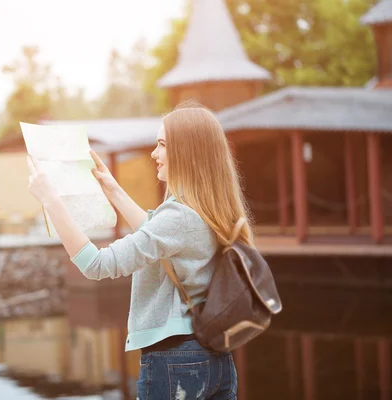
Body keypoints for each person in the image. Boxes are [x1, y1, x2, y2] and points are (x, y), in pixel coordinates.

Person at [26, 102, 254, 400]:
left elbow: (97, 264)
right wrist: (114, 191)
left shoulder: (179, 216)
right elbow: (161, 237)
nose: (153, 154)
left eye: (161, 144)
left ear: (186, 152)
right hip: (215, 359)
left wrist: (52, 202)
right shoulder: (212, 209)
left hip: (175, 359)